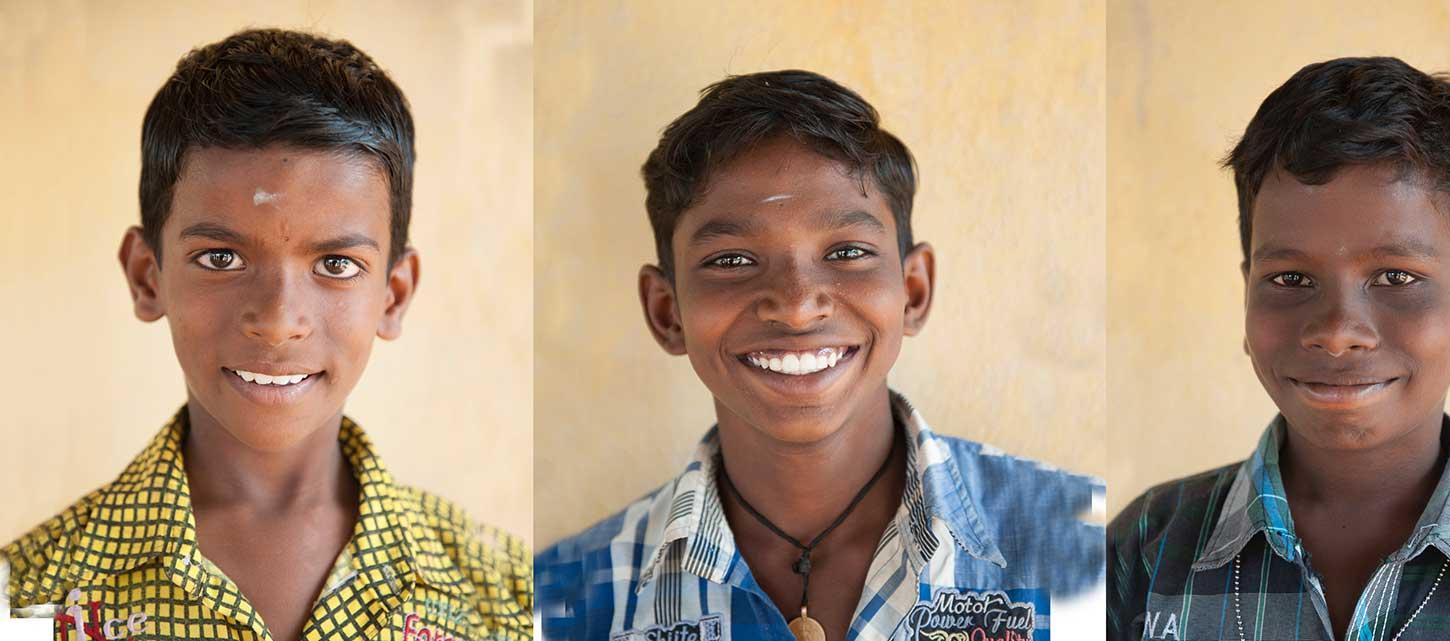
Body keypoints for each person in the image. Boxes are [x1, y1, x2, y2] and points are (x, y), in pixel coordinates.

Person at [534, 70, 1105, 641]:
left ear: (913, 291)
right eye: (731, 260)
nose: (798, 306)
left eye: (848, 251)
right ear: (667, 312)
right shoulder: (558, 604)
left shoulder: (1094, 550)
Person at [1, 28, 532, 641]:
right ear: (148, 278)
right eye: (221, 258)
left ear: (394, 293)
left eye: (336, 265)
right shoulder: (31, 602)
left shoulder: (506, 599)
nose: (279, 321)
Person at [1107, 56, 1450, 641]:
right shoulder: (1140, 555)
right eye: (1291, 279)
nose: (1338, 330)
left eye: (1396, 277)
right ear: (1247, 296)